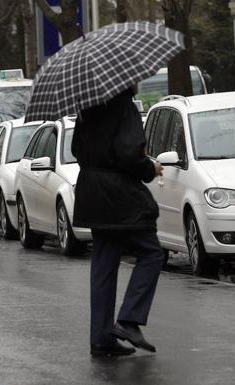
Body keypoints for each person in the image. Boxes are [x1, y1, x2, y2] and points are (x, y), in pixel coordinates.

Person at [72, 87, 164, 357]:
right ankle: (129, 320)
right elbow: (129, 154)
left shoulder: (87, 107)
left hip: (91, 191)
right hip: (120, 194)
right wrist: (150, 168)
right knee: (151, 252)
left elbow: (76, 149)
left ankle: (101, 338)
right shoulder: (124, 106)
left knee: (104, 261)